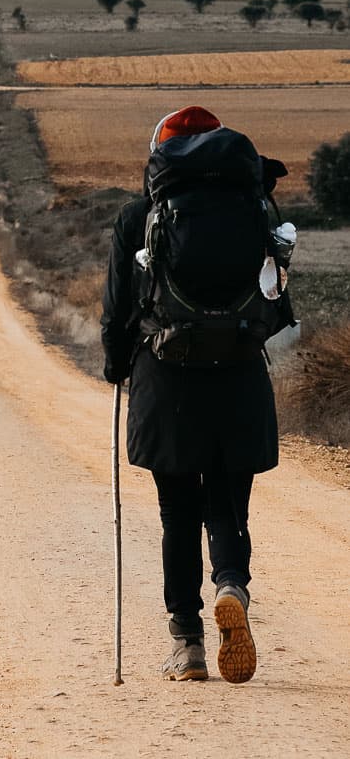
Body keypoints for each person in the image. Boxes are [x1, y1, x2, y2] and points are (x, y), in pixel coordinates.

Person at [101, 105, 288, 684]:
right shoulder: (253, 208)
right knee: (230, 500)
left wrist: (116, 368)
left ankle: (189, 645)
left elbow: (115, 313)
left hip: (168, 379)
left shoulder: (138, 217)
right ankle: (231, 582)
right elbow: (276, 300)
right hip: (238, 374)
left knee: (176, 511)